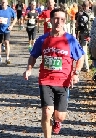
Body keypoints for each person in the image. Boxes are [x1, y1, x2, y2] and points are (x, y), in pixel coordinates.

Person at [23, 8, 85, 138]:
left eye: (62, 19)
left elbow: (80, 57)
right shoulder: (42, 39)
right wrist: (29, 69)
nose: (58, 22)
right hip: (46, 80)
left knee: (59, 116)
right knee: (46, 112)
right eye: (56, 18)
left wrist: (76, 73)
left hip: (63, 82)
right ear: (51, 20)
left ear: (65, 21)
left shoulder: (70, 40)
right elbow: (33, 56)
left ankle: (57, 121)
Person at [0, 0, 17, 64]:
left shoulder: (10, 10)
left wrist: (11, 25)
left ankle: (7, 58)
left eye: (4, 2)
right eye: (2, 2)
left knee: (6, 42)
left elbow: (15, 18)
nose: (3, 4)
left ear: (7, 3)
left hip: (7, 29)